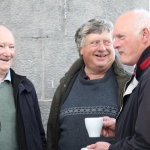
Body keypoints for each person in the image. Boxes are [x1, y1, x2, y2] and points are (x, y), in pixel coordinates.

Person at [47, 18, 130, 150]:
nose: (102, 48)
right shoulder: (65, 86)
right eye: (95, 42)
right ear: (81, 49)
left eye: (107, 42)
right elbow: (52, 134)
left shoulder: (128, 86)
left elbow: (139, 137)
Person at [87, 9, 150, 150]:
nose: (115, 45)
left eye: (121, 37)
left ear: (144, 34)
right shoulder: (142, 71)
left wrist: (109, 149)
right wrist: (121, 127)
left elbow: (145, 144)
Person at [0, 25, 46, 150]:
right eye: (1, 46)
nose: (7, 53)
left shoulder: (26, 87)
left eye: (11, 47)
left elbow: (39, 135)